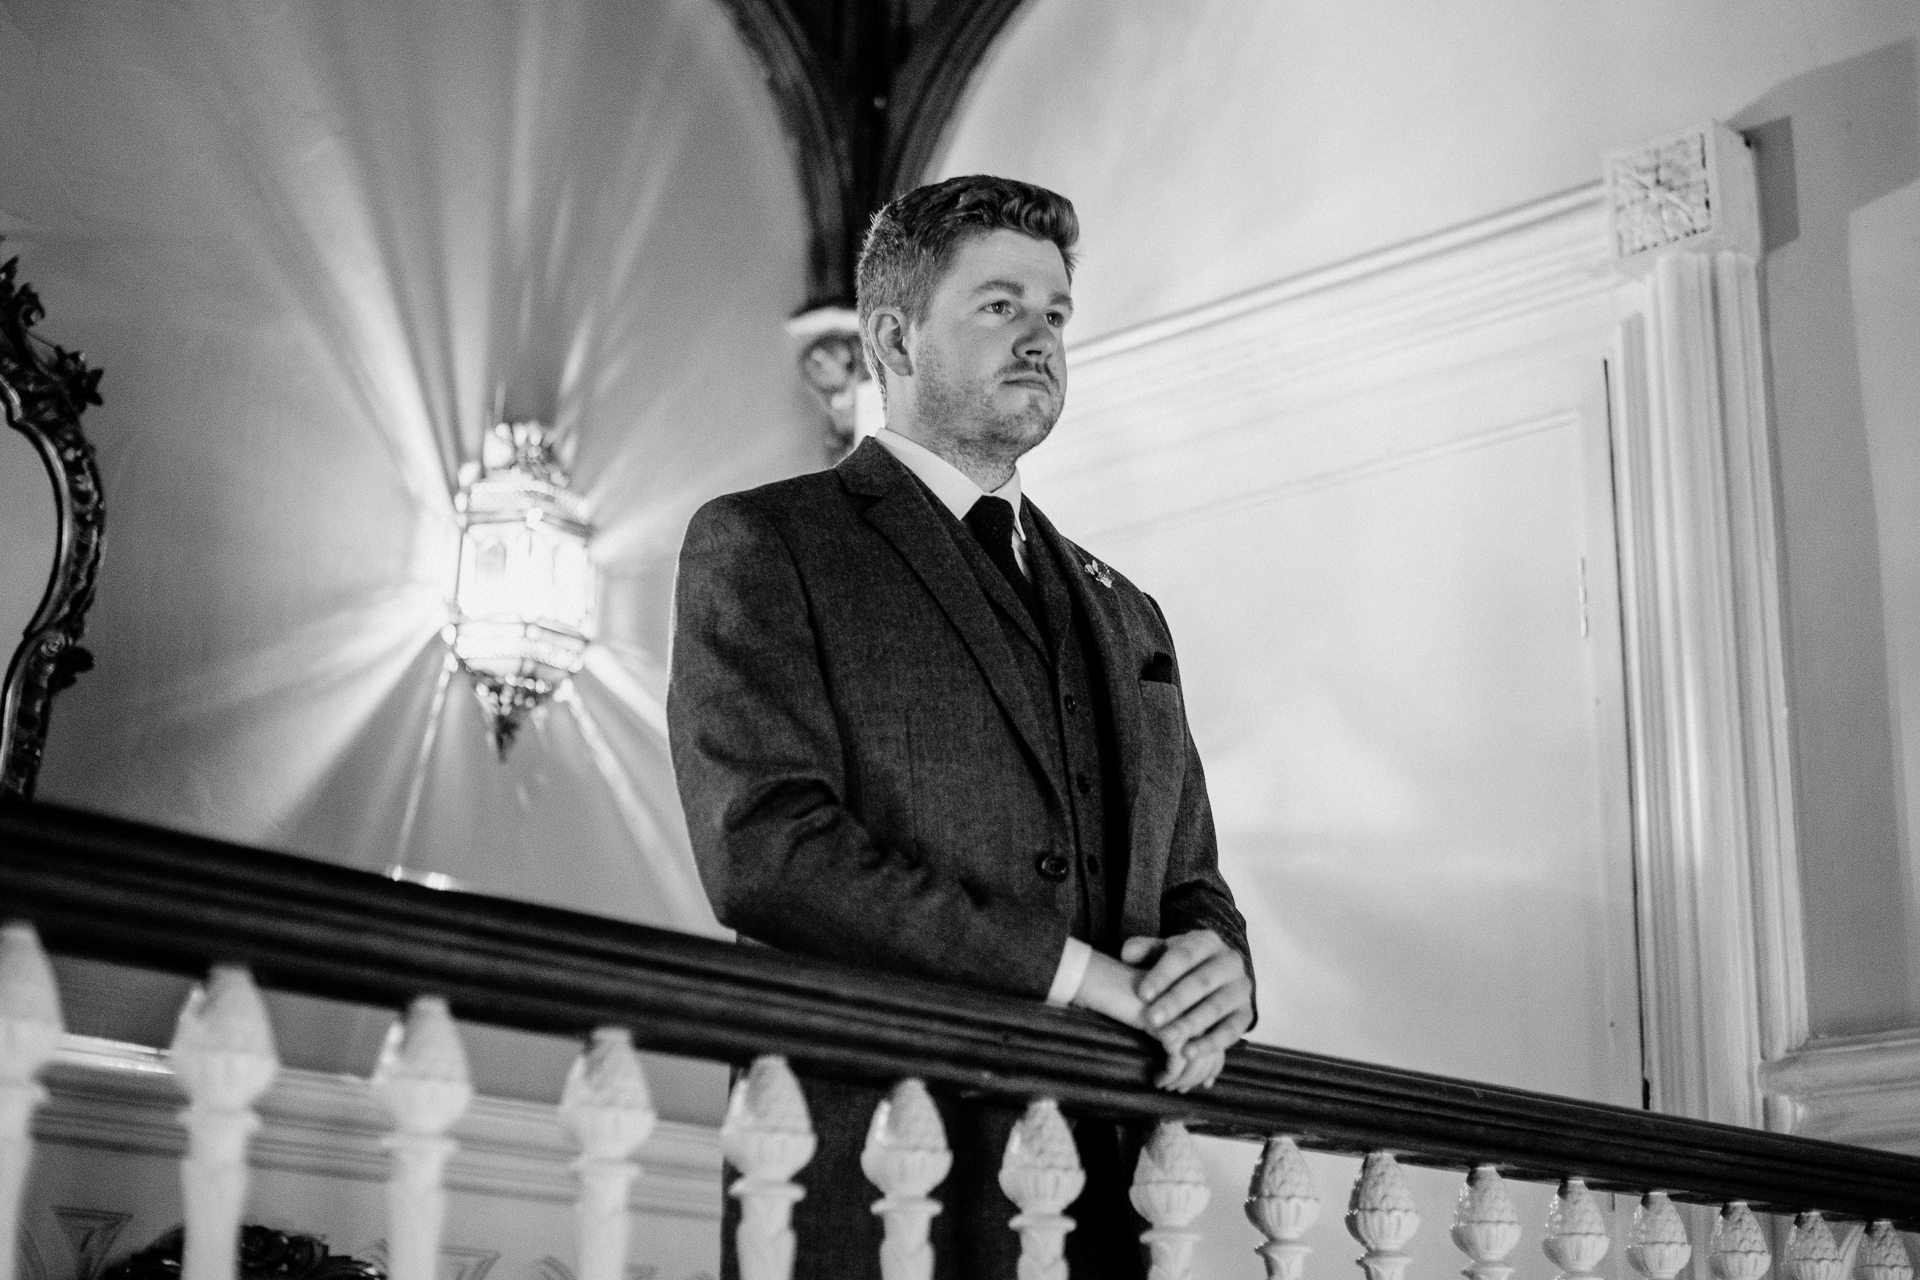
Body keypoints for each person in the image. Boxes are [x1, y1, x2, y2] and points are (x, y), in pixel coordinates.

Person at [667, 174, 1255, 1280]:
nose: (1041, 338)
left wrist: (1219, 964)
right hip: (868, 1177)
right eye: (999, 305)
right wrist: (1078, 974)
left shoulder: (1130, 611)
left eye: (1056, 313)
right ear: (893, 335)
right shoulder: (768, 543)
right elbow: (767, 851)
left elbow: (1192, 880)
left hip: (1111, 1195)